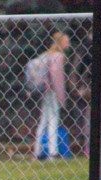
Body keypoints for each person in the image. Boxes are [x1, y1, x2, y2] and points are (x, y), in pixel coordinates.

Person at [33, 31, 71, 160]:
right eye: (66, 41)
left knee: (43, 120)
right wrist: (61, 97)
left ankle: (37, 151)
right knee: (54, 119)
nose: (68, 43)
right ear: (60, 42)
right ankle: (53, 151)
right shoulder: (58, 56)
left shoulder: (46, 55)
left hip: (44, 90)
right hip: (52, 91)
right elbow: (57, 78)